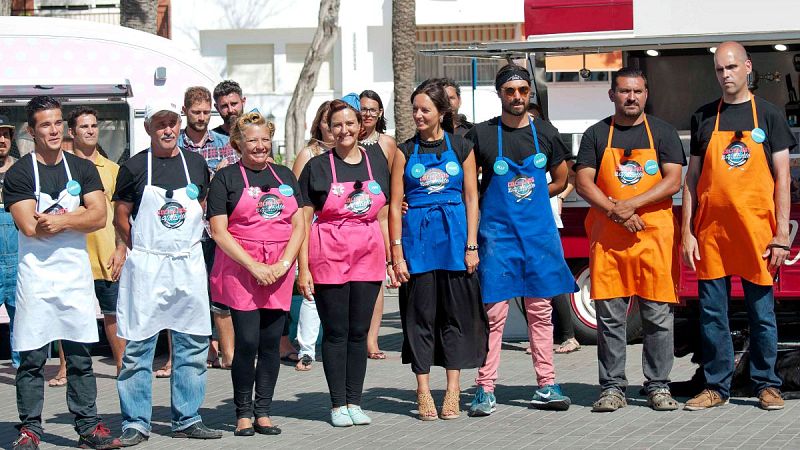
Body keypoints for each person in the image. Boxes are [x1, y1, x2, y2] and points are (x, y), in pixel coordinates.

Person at [682, 41, 795, 411]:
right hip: (711, 234)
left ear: (747, 67)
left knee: (762, 314)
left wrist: (781, 234)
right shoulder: (703, 117)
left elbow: (782, 178)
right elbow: (691, 179)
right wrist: (687, 231)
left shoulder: (769, 115)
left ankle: (767, 384)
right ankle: (716, 386)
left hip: (757, 233)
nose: (725, 75)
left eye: (731, 67)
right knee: (713, 315)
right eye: (719, 69)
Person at [4, 96, 119, 450]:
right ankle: (30, 430)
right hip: (36, 278)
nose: (53, 130)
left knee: (81, 357)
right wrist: (78, 216)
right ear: (31, 131)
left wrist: (61, 220)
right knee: (32, 358)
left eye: (57, 123)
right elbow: (29, 225)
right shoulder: (20, 173)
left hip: (74, 277)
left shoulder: (81, 168)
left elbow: (99, 216)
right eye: (45, 125)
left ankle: (88, 428)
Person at [466, 64, 577, 416]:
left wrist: (532, 194)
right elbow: (468, 187)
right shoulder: (482, 135)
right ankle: (485, 388)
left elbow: (561, 178)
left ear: (530, 92)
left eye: (523, 90)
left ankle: (547, 384)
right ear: (499, 93)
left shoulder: (546, 132)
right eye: (510, 91)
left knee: (541, 312)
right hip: (497, 236)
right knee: (494, 315)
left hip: (538, 235)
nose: (517, 97)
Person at [575, 67, 685, 412]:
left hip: (654, 240)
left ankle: (658, 385)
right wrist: (615, 212)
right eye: (624, 91)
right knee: (610, 320)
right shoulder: (596, 134)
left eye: (637, 91)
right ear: (612, 95)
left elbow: (673, 181)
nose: (631, 97)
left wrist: (631, 204)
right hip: (609, 243)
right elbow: (583, 183)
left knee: (658, 318)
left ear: (646, 94)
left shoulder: (663, 133)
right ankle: (612, 388)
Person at [113, 99, 221, 446]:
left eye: (172, 122)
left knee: (192, 343)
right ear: (149, 128)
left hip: (187, 263)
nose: (168, 129)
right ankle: (135, 422)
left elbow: (200, 207)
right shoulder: (133, 167)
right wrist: (142, 249)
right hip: (148, 265)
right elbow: (121, 215)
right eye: (160, 124)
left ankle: (188, 417)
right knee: (138, 347)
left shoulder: (195, 164)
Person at [390, 79, 488, 420]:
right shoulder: (403, 151)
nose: (418, 115)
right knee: (420, 319)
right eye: (415, 109)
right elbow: (394, 205)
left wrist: (472, 245)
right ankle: (422, 389)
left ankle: (453, 389)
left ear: (441, 112)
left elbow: (472, 198)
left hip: (455, 243)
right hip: (417, 245)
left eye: (425, 110)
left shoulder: (462, 146)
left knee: (454, 318)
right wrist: (397, 253)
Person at [297, 99, 396, 427]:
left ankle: (355, 401)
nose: (344, 130)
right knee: (336, 332)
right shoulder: (317, 167)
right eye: (337, 124)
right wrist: (303, 269)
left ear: (360, 125)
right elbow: (303, 221)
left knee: (358, 332)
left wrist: (392, 258)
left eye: (350, 123)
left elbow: (384, 215)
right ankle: (337, 404)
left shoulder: (376, 162)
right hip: (329, 254)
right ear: (328, 128)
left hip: (368, 254)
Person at [207, 111, 305, 436]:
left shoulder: (285, 176)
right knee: (247, 342)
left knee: (271, 343)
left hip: (278, 269)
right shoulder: (226, 178)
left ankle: (263, 411)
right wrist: (254, 266)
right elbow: (219, 231)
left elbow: (299, 225)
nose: (260, 146)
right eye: (253, 140)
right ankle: (243, 413)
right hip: (242, 269)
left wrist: (283, 264)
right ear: (238, 143)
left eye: (265, 139)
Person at [180, 86, 237, 371]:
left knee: (220, 291)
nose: (202, 117)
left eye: (206, 112)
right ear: (185, 111)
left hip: (218, 229)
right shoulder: (176, 145)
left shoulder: (225, 144)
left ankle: (228, 352)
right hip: (186, 231)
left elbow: (235, 185)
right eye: (196, 112)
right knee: (191, 292)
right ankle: (202, 349)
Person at [68, 107, 128, 374]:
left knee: (113, 313)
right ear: (72, 132)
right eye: (84, 126)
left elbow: (121, 214)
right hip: (72, 254)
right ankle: (65, 369)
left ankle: (122, 366)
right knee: (70, 315)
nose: (90, 131)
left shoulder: (113, 169)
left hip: (106, 254)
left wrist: (121, 248)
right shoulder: (62, 168)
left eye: (94, 126)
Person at [528, 100, 580, 355]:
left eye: (534, 117)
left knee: (551, 276)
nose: (529, 121)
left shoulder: (549, 142)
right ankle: (541, 337)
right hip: (524, 221)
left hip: (547, 220)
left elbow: (572, 175)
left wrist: (560, 196)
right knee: (532, 279)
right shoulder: (517, 145)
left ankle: (569, 336)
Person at [291, 100, 333, 372]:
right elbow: (295, 199)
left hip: (340, 235)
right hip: (312, 230)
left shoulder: (353, 154)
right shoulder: (309, 154)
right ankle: (306, 350)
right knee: (311, 292)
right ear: (320, 124)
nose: (333, 128)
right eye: (329, 122)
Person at [357, 90, 398, 361]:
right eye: (363, 108)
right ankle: (356, 338)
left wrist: (400, 204)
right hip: (352, 221)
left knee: (376, 282)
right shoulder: (347, 142)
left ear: (381, 112)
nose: (368, 114)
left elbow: (396, 182)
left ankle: (372, 340)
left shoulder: (387, 144)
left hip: (380, 219)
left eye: (373, 109)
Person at [0, 114, 19, 369]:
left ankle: (23, 372)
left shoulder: (21, 168)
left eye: (5, 135)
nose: (1, 140)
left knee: (21, 320)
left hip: (18, 257)